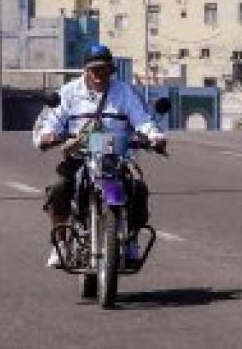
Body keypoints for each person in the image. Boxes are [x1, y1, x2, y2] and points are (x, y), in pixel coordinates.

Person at [33, 44, 167, 268]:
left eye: (104, 69)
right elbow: (50, 123)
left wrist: (154, 136)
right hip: (79, 158)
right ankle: (62, 243)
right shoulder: (68, 93)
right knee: (58, 188)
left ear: (111, 70)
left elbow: (143, 120)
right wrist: (48, 137)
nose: (99, 74)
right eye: (94, 69)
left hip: (115, 159)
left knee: (137, 189)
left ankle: (131, 239)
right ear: (86, 70)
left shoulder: (125, 92)